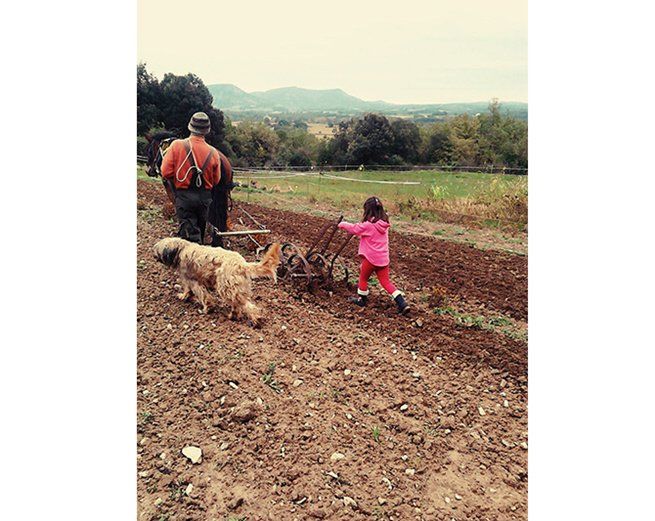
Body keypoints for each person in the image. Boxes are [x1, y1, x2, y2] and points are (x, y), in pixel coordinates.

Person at [338, 197, 410, 314]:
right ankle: (402, 303)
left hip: (370, 259)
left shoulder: (369, 226)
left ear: (368, 210)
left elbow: (355, 229)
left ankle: (362, 300)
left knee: (363, 278)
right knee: (386, 282)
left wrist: (342, 224)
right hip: (383, 260)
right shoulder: (384, 225)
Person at [161, 112, 222, 244]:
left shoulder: (177, 145)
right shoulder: (213, 152)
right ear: (207, 131)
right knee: (200, 231)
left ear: (190, 127)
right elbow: (216, 180)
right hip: (204, 199)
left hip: (185, 198)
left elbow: (165, 172)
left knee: (189, 239)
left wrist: (180, 178)